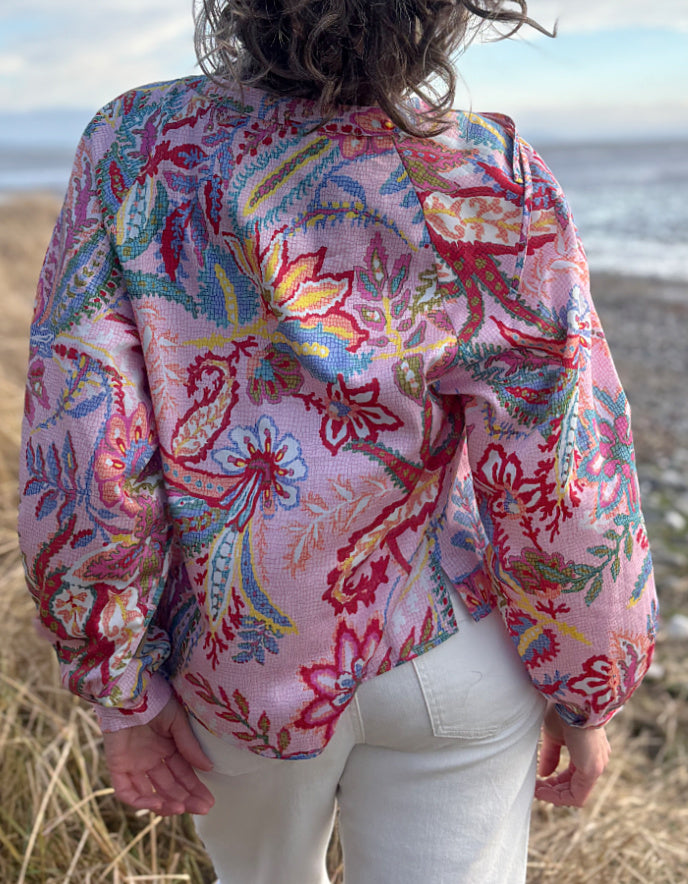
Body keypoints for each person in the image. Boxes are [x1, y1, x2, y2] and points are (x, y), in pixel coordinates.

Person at [18, 1, 658, 882]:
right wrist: (588, 682)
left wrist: (120, 685)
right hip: (452, 640)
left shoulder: (134, 145)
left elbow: (87, 442)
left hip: (233, 659)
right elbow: (565, 471)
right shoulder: (491, 173)